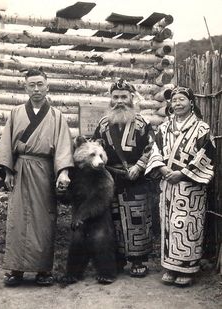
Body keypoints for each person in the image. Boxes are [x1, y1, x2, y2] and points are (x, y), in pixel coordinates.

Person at [0, 68, 74, 286]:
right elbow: (7, 144)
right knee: (17, 218)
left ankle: (43, 270)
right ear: (25, 87)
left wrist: (63, 172)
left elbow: (64, 148)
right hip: (19, 169)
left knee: (44, 219)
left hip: (44, 170)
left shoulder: (57, 116)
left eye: (40, 84)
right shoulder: (16, 113)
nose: (36, 89)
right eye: (32, 85)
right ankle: (16, 270)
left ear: (47, 86)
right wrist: (7, 171)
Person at [145, 86, 216, 286]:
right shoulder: (164, 127)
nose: (177, 103)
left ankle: (187, 268)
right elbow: (155, 150)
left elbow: (206, 155)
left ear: (191, 103)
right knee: (169, 224)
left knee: (187, 224)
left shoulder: (202, 128)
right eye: (174, 100)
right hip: (168, 184)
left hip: (190, 185)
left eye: (181, 99)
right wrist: (164, 170)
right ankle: (170, 267)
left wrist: (183, 173)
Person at [92, 79, 155, 277]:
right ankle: (117, 260)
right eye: (115, 97)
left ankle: (137, 260)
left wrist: (140, 166)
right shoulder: (103, 124)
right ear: (111, 99)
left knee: (137, 218)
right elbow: (96, 146)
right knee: (113, 219)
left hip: (136, 178)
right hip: (110, 177)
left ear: (131, 98)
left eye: (124, 97)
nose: (119, 101)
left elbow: (152, 148)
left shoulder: (143, 123)